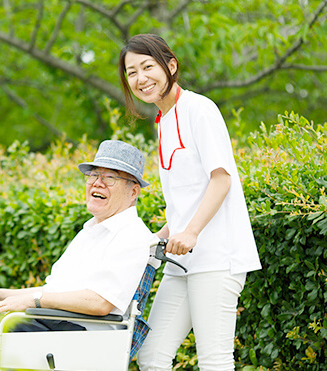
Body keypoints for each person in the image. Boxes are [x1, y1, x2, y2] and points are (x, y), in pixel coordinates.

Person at [118, 34, 262, 370]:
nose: (140, 79)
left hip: (216, 258)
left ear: (171, 65)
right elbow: (186, 200)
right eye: (132, 72)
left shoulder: (199, 109)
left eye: (147, 67)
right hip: (183, 262)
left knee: (214, 361)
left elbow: (221, 178)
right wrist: (158, 237)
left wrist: (192, 233)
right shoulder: (163, 122)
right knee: (152, 355)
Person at [0, 140, 156, 353]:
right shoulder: (90, 231)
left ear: (133, 192)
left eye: (110, 177)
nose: (97, 183)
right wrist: (0, 294)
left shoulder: (132, 235)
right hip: (55, 324)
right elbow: (55, 291)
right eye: (93, 175)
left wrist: (35, 301)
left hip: (81, 340)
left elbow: (99, 303)